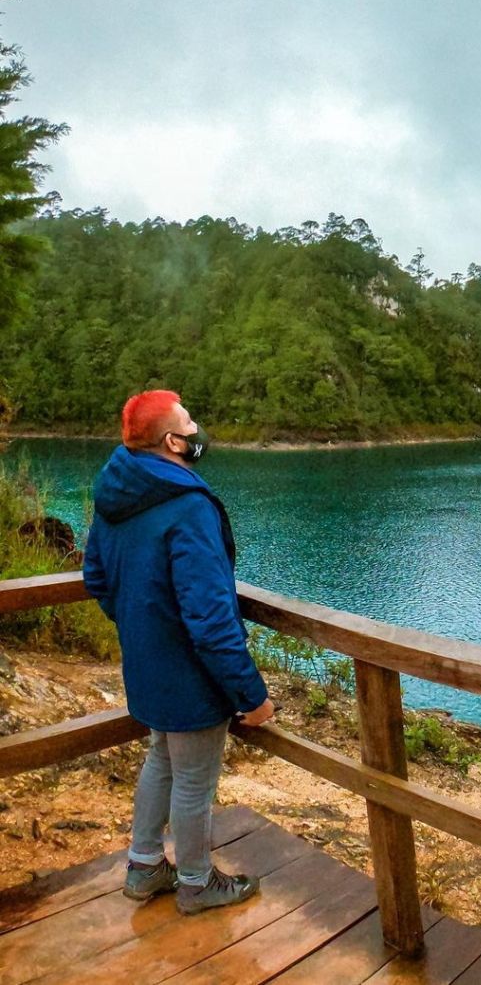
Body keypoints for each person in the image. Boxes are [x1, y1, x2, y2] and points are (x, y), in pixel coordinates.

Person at [83, 389, 274, 915]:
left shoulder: (116, 492)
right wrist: (252, 696)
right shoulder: (188, 507)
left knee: (161, 760)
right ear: (172, 442)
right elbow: (210, 620)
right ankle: (196, 883)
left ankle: (144, 867)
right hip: (191, 675)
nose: (197, 430)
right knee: (192, 780)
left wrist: (144, 626)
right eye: (189, 423)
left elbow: (97, 576)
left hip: (147, 665)